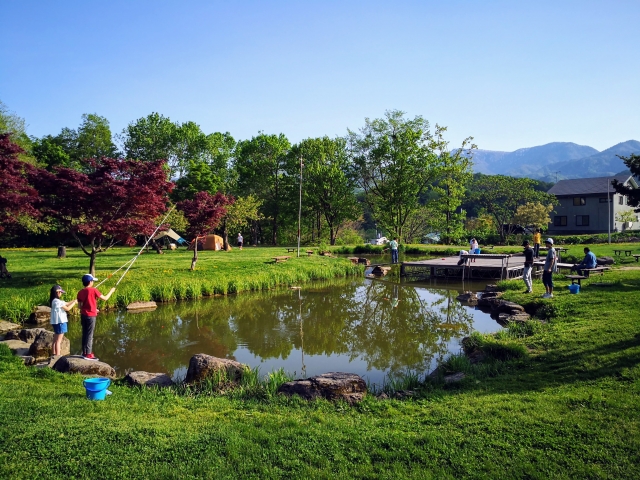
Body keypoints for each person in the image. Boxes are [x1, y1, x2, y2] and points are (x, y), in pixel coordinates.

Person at [77, 274, 115, 360]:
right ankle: (89, 354)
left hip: (83, 315)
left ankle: (84, 352)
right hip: (91, 316)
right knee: (90, 335)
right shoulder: (94, 290)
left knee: (85, 334)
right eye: (93, 281)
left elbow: (80, 306)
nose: (93, 282)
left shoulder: (80, 292)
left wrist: (94, 309)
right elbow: (105, 298)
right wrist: (111, 291)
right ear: (90, 282)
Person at [49, 285, 77, 356]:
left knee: (55, 340)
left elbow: (67, 303)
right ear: (57, 292)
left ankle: (53, 354)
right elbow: (67, 308)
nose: (61, 294)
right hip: (61, 322)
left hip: (56, 323)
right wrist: (74, 303)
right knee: (58, 341)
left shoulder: (54, 301)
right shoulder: (57, 302)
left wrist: (74, 300)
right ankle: (58, 356)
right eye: (61, 292)